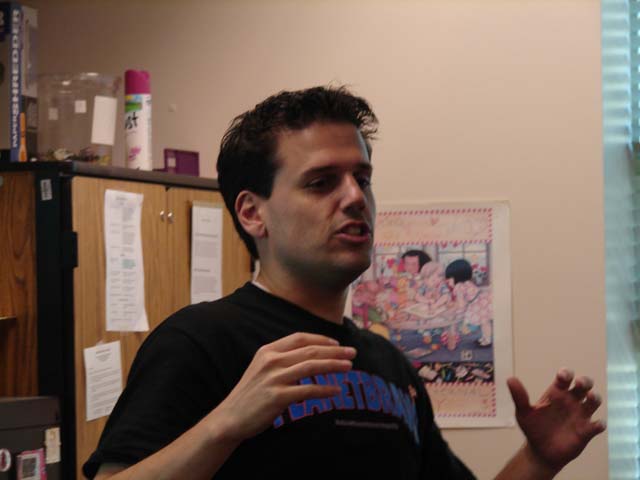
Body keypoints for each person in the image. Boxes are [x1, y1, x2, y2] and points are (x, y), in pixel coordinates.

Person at [85, 86, 605, 480]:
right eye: (321, 182)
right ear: (252, 213)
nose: (355, 197)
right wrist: (224, 425)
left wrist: (538, 460)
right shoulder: (198, 342)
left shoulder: (388, 364)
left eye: (363, 178)